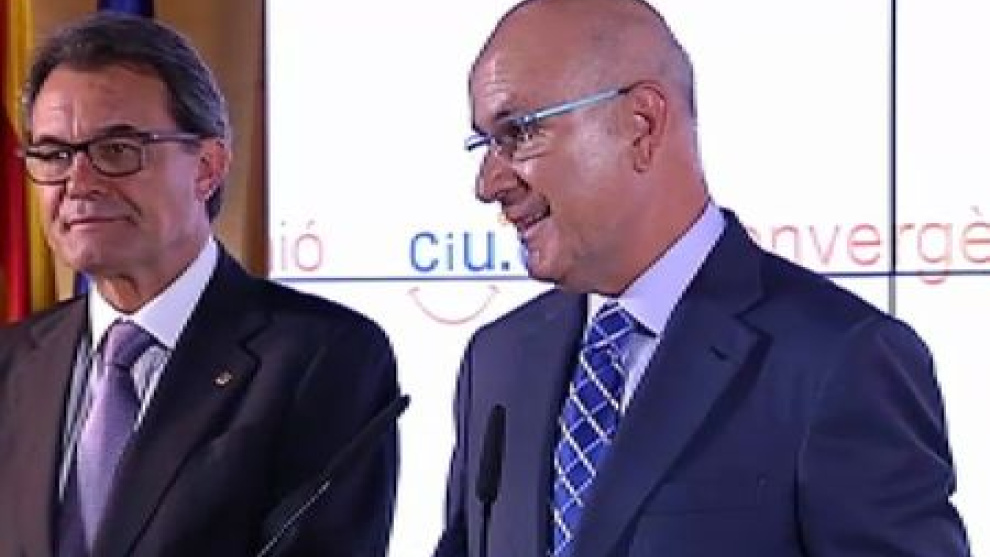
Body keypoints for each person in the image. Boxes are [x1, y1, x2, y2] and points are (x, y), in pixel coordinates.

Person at [433, 0, 971, 556]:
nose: (488, 183)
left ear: (641, 125)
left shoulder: (839, 360)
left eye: (519, 133)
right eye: (484, 144)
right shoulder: (496, 360)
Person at [0, 12, 399, 557]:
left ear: (207, 167)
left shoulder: (322, 356)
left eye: (117, 150)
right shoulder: (13, 362)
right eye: (54, 155)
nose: (79, 183)